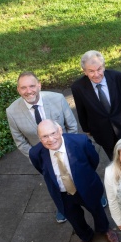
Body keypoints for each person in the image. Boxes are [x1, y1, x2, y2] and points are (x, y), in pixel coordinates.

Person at [29, 120, 120, 242]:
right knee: (74, 219)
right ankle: (86, 237)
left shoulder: (81, 142)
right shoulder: (35, 153)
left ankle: (104, 229)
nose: (50, 139)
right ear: (40, 138)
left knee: (97, 209)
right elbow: (43, 170)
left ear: (60, 130)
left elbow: (93, 161)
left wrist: (84, 178)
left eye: (53, 133)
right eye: (45, 136)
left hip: (86, 188)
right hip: (62, 194)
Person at [6, 71, 77, 223]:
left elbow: (71, 126)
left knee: (79, 173)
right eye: (23, 88)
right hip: (43, 157)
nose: (28, 91)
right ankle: (62, 206)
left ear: (39, 85)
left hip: (66, 149)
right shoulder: (12, 112)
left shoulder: (57, 99)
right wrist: (36, 157)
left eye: (32, 86)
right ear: (18, 90)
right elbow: (20, 141)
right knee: (53, 181)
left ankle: (93, 196)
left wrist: (71, 149)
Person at [71, 50, 121, 161]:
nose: (96, 74)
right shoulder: (78, 87)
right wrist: (86, 128)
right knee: (114, 158)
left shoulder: (117, 77)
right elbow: (81, 109)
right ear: (85, 71)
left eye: (99, 69)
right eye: (91, 71)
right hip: (101, 131)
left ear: (103, 66)